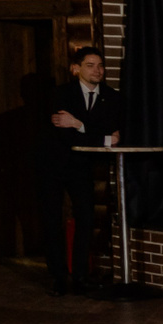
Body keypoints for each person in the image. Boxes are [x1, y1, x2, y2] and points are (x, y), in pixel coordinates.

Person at [36, 46, 121, 294]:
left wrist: (78, 124)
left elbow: (114, 131)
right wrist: (101, 136)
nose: (97, 70)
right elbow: (67, 135)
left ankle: (81, 276)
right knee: (53, 219)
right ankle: (59, 277)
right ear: (76, 68)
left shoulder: (111, 97)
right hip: (53, 164)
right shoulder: (61, 94)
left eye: (100, 65)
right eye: (90, 65)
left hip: (82, 167)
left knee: (86, 218)